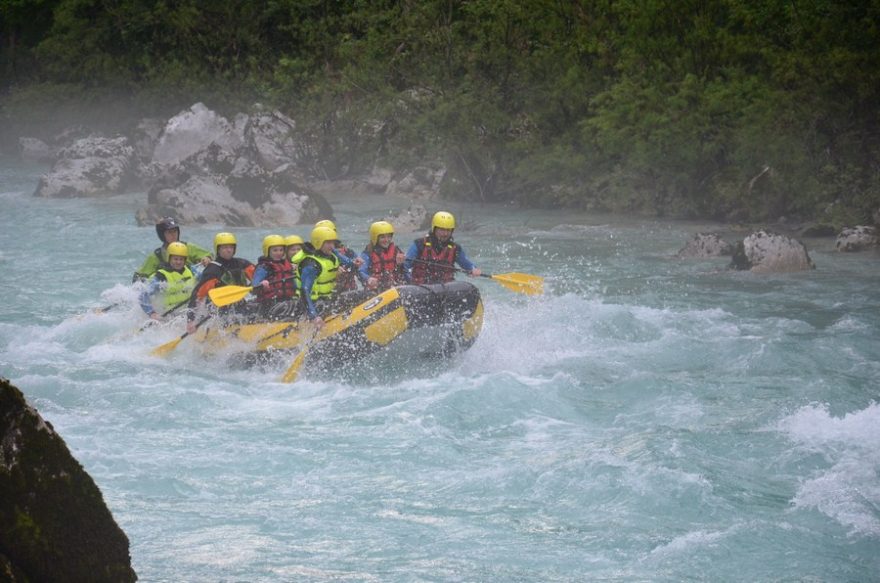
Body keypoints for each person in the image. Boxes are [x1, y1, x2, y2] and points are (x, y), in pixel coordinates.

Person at [299, 225, 368, 327]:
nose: (332, 246)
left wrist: (355, 263)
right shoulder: (311, 264)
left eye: (333, 242)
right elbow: (304, 291)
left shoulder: (333, 254)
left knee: (364, 295)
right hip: (315, 303)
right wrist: (314, 316)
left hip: (329, 299)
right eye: (328, 243)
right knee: (327, 305)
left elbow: (348, 262)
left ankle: (362, 322)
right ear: (318, 243)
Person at [186, 232, 255, 333]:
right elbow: (198, 295)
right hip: (219, 311)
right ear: (218, 249)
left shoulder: (242, 263)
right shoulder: (213, 270)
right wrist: (191, 320)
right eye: (225, 247)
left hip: (239, 305)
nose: (229, 250)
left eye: (231, 247)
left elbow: (257, 276)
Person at [405, 211, 481, 284]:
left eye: (448, 230)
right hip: (421, 288)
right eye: (442, 230)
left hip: (445, 288)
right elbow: (405, 265)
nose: (445, 234)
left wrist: (473, 269)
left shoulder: (455, 249)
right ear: (434, 229)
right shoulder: (419, 245)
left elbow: (466, 264)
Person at [132, 217, 212, 282]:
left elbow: (208, 255)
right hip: (168, 294)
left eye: (175, 231)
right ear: (162, 235)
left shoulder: (187, 247)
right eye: (169, 232)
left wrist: (207, 258)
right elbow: (138, 276)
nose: (173, 235)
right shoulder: (157, 256)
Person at [138, 241, 196, 321]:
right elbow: (143, 296)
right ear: (169, 258)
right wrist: (152, 313)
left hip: (187, 313)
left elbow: (204, 278)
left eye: (181, 259)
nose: (178, 262)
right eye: (175, 259)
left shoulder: (190, 269)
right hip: (168, 316)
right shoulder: (161, 276)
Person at [252, 234, 297, 318]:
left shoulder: (287, 265)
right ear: (267, 251)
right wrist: (261, 283)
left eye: (281, 250)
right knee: (288, 306)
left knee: (297, 304)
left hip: (286, 300)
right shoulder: (264, 267)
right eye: (275, 250)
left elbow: (294, 285)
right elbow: (254, 285)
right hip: (269, 303)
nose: (279, 253)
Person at [359, 220, 406, 291]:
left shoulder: (397, 251)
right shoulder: (367, 253)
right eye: (382, 237)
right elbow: (361, 271)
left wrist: (401, 264)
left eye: (389, 237)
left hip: (394, 289)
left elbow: (406, 272)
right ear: (375, 238)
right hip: (376, 291)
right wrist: (368, 278)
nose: (386, 240)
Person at [315, 219, 360, 292]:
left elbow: (359, 270)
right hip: (329, 295)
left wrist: (367, 279)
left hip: (350, 291)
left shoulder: (348, 252)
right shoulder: (311, 258)